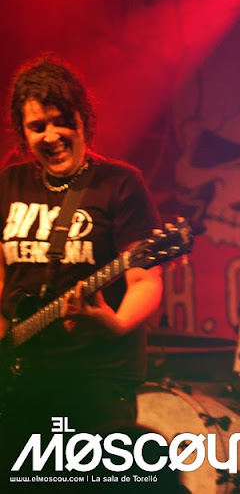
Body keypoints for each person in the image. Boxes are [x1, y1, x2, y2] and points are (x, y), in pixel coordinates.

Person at [0, 54, 163, 485]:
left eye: (61, 121)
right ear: (23, 133)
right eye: (38, 126)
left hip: (98, 377)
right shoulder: (9, 184)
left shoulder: (119, 183)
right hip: (20, 376)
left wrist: (115, 322)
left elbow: (145, 279)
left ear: (82, 119)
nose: (51, 135)